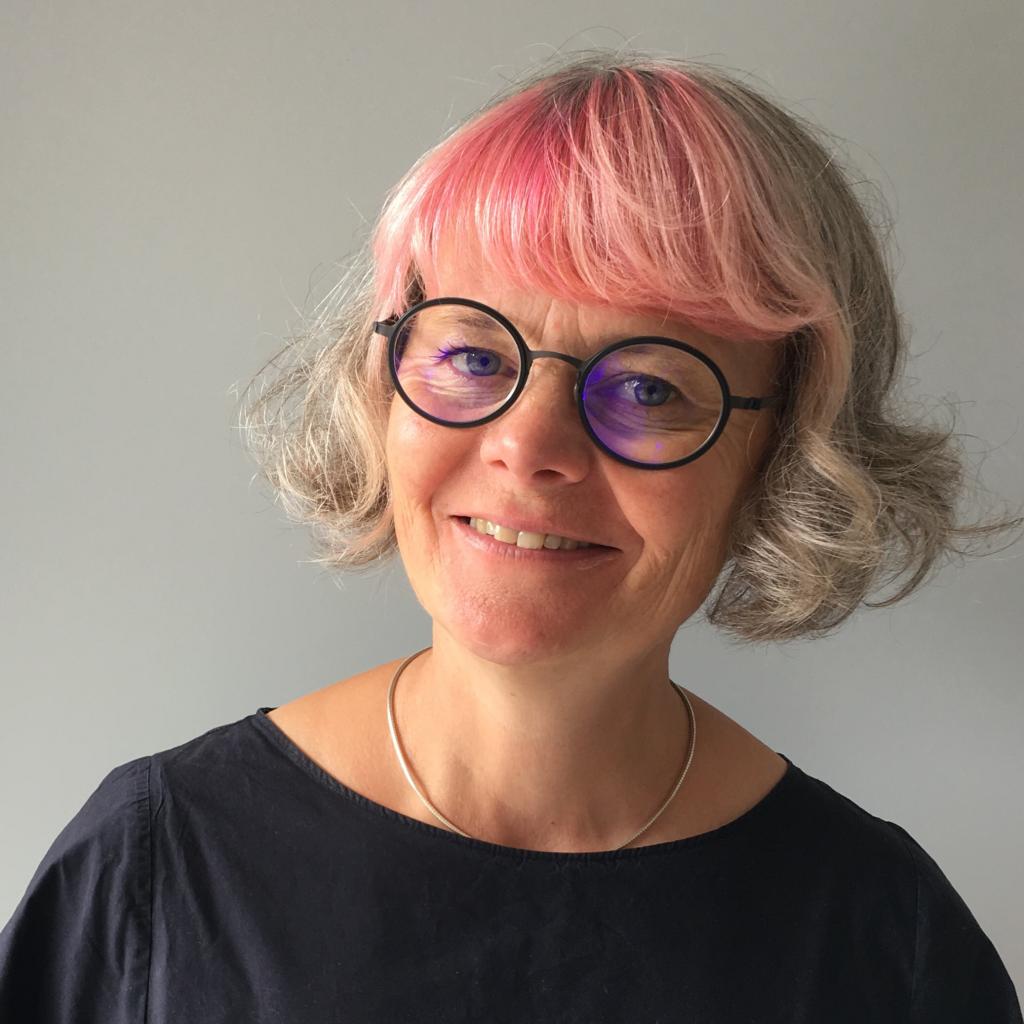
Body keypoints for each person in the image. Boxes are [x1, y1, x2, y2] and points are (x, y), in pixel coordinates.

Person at [1, 49, 1021, 1023]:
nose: (527, 448)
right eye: (475, 357)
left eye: (648, 387)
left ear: (787, 453)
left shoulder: (886, 941)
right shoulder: (157, 866)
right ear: (379, 386)